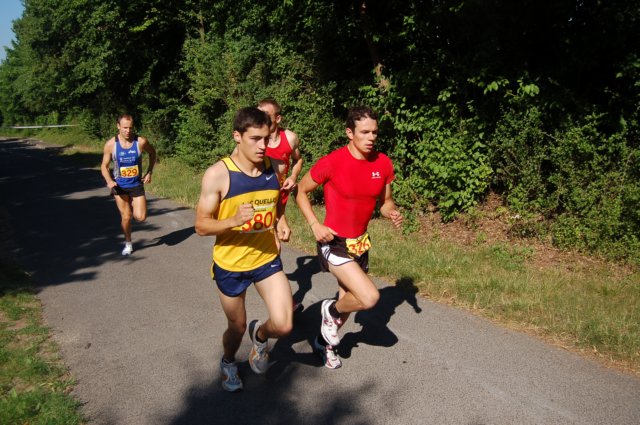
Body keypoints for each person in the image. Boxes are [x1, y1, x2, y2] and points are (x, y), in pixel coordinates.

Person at [295, 106, 403, 369]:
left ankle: (323, 344)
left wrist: (391, 211)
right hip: (333, 241)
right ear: (349, 133)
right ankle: (329, 310)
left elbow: (385, 202)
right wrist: (315, 224)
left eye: (374, 132)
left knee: (348, 302)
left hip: (360, 243)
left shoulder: (383, 163)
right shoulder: (333, 162)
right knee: (369, 297)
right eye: (364, 132)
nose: (371, 137)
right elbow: (301, 191)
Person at [195, 107, 293, 392]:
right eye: (255, 139)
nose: (263, 146)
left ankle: (260, 337)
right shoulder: (218, 175)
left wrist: (280, 221)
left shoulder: (276, 168)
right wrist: (232, 221)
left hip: (265, 258)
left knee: (284, 325)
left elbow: (275, 204)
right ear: (237, 136)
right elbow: (201, 225)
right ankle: (228, 361)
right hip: (231, 264)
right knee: (236, 327)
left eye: (267, 138)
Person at [101, 113, 157, 256]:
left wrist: (149, 172)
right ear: (118, 126)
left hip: (136, 184)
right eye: (125, 128)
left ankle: (132, 206)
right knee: (126, 217)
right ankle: (128, 243)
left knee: (141, 217)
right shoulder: (111, 144)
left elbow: (153, 153)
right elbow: (104, 166)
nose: (128, 131)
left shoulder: (140, 142)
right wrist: (109, 181)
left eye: (130, 128)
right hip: (119, 186)